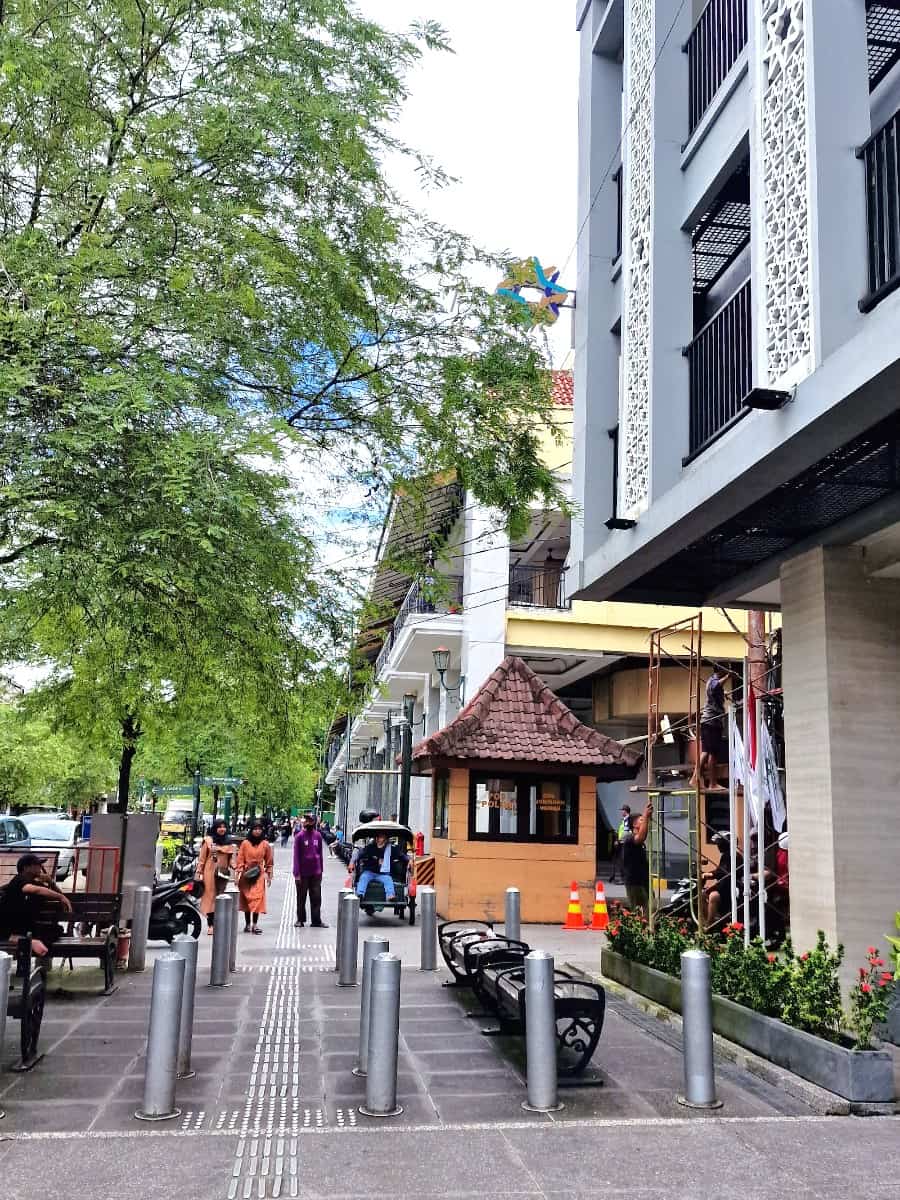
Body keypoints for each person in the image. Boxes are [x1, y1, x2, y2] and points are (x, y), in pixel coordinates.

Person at [0, 853, 73, 957]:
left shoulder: (35, 882)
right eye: (37, 864)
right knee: (49, 934)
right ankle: (25, 941)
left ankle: (29, 942)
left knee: (56, 931)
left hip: (27, 925)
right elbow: (34, 889)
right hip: (10, 926)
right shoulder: (19, 879)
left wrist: (51, 883)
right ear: (26, 868)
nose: (41, 867)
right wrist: (61, 897)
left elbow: (55, 894)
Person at [196, 817, 237, 935]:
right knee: (210, 897)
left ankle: (218, 923)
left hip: (222, 874)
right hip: (209, 873)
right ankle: (211, 925)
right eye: (219, 827)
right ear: (215, 828)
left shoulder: (228, 842)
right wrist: (199, 872)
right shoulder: (208, 841)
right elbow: (202, 859)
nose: (222, 829)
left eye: (224, 827)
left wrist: (236, 867)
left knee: (220, 897)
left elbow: (231, 860)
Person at [691, 669, 729, 792]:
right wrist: (729, 676)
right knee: (712, 753)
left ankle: (695, 778)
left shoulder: (713, 681)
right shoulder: (713, 681)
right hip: (712, 722)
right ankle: (712, 783)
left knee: (706, 752)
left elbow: (716, 691)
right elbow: (715, 686)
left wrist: (724, 693)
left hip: (710, 722)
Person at [236, 818, 274, 933]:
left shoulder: (265, 844)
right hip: (246, 874)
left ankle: (255, 924)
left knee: (257, 899)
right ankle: (247, 924)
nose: (257, 831)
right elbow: (240, 859)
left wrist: (269, 875)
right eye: (255, 829)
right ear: (251, 830)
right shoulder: (245, 843)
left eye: (259, 829)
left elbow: (269, 861)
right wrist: (238, 873)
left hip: (259, 874)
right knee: (247, 899)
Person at [292, 811, 327, 928]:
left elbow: (320, 853)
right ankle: (300, 919)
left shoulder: (318, 836)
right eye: (306, 820)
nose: (308, 822)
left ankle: (316, 920)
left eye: (310, 820)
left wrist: (321, 869)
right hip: (303, 873)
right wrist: (296, 873)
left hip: (316, 872)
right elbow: (296, 856)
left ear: (314, 822)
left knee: (316, 897)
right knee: (301, 897)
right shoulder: (299, 836)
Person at [354, 833, 407, 901]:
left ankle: (390, 896)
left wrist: (409, 860)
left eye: (381, 837)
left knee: (388, 879)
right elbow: (359, 854)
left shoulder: (392, 849)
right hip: (370, 872)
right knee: (363, 877)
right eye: (377, 837)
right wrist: (352, 861)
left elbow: (402, 856)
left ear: (385, 839)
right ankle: (360, 895)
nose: (378, 839)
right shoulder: (370, 847)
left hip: (383, 874)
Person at [622, 801, 652, 913]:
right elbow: (640, 837)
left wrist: (646, 817)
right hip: (634, 882)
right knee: (640, 912)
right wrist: (646, 816)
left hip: (643, 881)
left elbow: (643, 835)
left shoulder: (638, 841)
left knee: (649, 909)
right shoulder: (629, 838)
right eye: (641, 820)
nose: (644, 821)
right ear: (634, 825)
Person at [609, 805, 632, 883]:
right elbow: (621, 831)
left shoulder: (628, 820)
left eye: (622, 810)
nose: (621, 812)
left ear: (626, 811)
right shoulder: (624, 820)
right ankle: (615, 877)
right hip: (621, 843)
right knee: (619, 861)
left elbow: (626, 833)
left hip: (624, 843)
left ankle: (624, 879)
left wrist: (619, 840)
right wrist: (617, 838)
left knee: (623, 861)